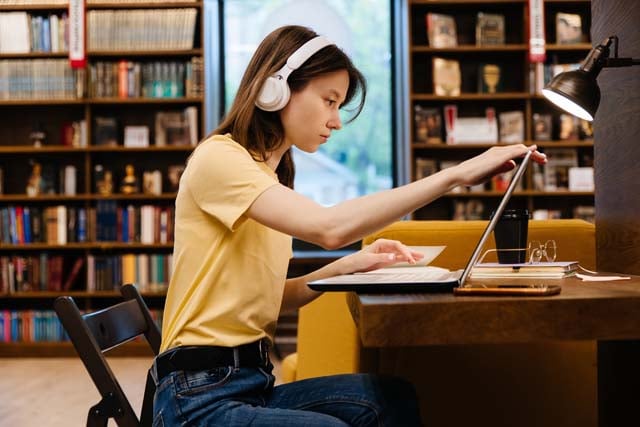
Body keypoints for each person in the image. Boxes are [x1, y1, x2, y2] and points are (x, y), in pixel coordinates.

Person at [153, 25, 547, 426]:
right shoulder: (219, 159)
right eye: (329, 101)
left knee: (390, 399)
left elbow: (269, 297)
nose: (336, 121)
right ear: (277, 89)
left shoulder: (267, 178)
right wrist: (455, 174)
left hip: (251, 381)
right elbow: (329, 228)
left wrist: (347, 266)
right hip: (196, 396)